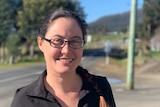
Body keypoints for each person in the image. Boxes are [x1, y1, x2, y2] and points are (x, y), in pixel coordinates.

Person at [11, 9, 116, 107]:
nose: (66, 50)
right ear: (41, 43)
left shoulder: (101, 88)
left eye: (75, 41)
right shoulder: (24, 100)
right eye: (57, 41)